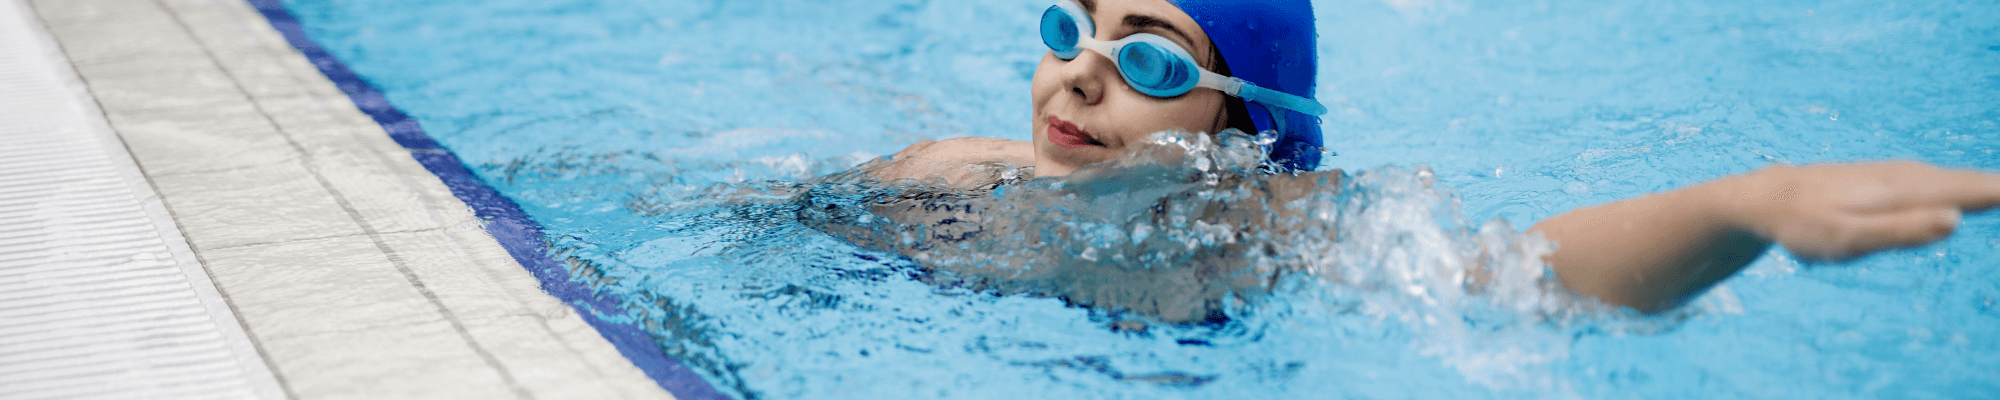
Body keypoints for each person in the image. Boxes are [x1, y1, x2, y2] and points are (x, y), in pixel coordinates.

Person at [861, 0, 2000, 314]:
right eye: (1069, 26)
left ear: (1239, 134)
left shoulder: (1255, 229)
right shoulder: (944, 172)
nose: (1078, 72)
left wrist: (1744, 206)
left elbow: (1517, 277)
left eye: (1152, 63)